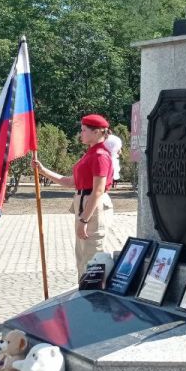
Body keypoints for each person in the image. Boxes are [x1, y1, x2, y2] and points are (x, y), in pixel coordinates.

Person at [34, 114, 115, 278]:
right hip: (85, 203)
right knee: (83, 257)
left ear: (97, 132)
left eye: (84, 130)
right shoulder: (90, 153)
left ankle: (95, 296)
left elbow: (97, 191)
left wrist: (84, 220)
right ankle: (85, 293)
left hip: (93, 206)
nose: (81, 134)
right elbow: (71, 182)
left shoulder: (99, 155)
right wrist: (43, 171)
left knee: (94, 257)